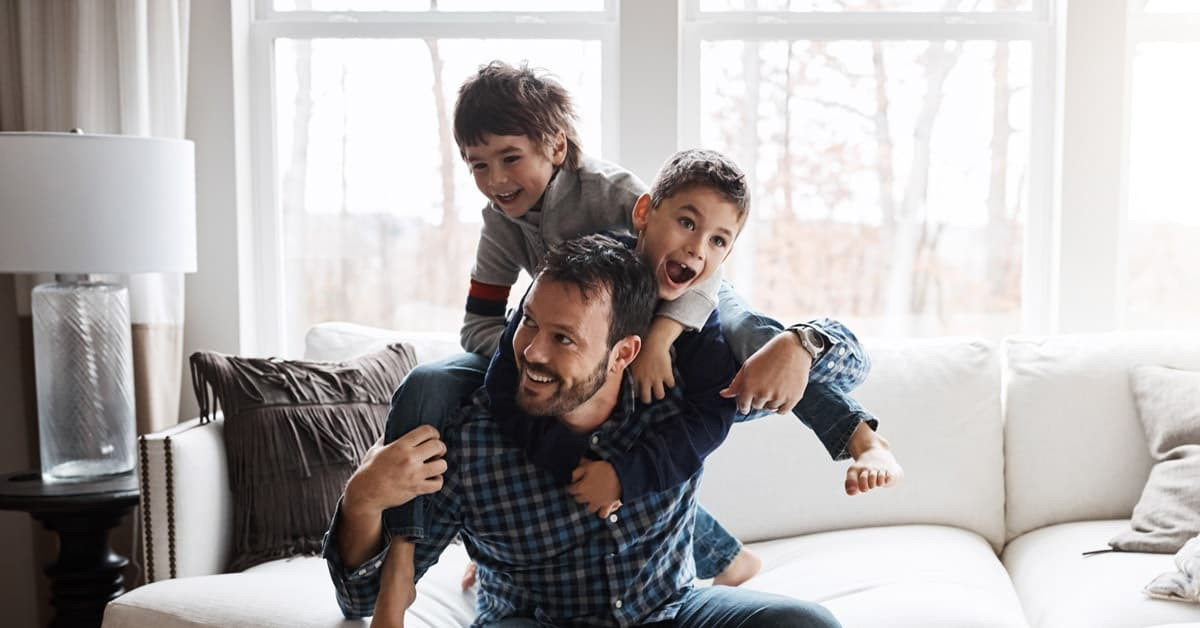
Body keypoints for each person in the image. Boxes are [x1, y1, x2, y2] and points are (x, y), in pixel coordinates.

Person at [381, 61, 897, 596]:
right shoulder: (500, 223)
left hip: (682, 309)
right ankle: (431, 552)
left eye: (510, 158)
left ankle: (859, 438)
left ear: (556, 146)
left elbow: (687, 258)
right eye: (478, 166)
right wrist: (538, 349)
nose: (496, 180)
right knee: (435, 383)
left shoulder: (612, 194)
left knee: (753, 338)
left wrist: (661, 338)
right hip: (592, 351)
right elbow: (478, 325)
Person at [324, 234, 842, 627]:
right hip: (535, 622)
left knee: (807, 624)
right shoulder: (469, 440)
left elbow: (849, 370)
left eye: (564, 339)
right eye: (528, 323)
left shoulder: (680, 399)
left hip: (668, 610)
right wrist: (362, 501)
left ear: (624, 353)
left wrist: (804, 344)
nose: (530, 352)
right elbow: (361, 599)